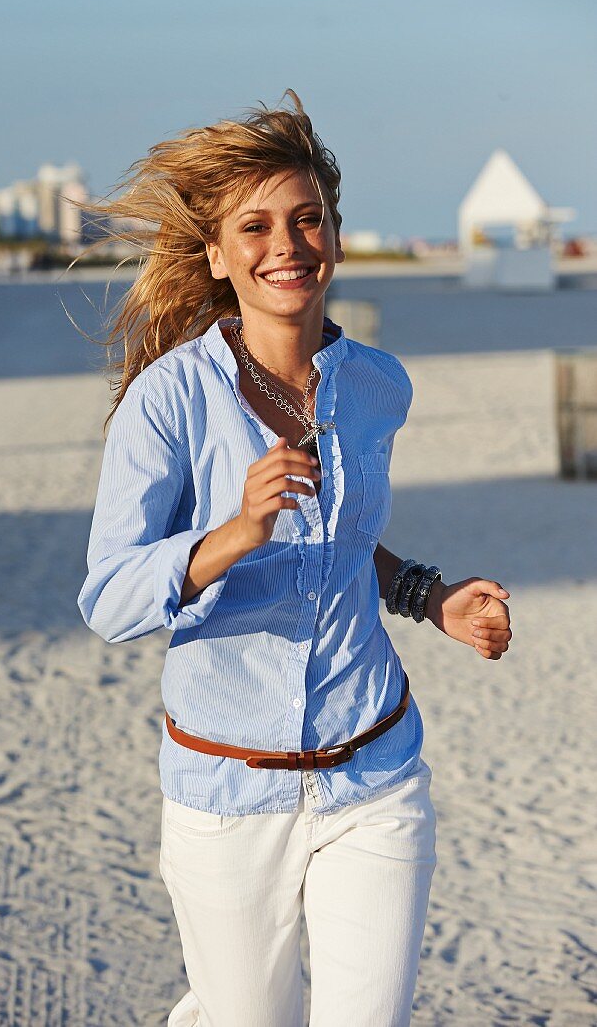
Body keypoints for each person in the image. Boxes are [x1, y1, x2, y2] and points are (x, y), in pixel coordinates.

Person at [76, 90, 512, 1027]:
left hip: (375, 773)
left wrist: (428, 596)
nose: (287, 244)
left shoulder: (376, 387)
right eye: (258, 226)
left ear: (337, 238)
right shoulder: (169, 402)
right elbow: (109, 600)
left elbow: (348, 542)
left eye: (307, 219)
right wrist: (231, 535)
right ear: (217, 255)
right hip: (228, 792)